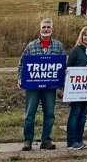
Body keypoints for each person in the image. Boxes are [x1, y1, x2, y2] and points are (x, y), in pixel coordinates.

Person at [19, 17, 66, 151]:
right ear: (40, 29)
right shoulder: (31, 45)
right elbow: (21, 64)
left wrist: (62, 80)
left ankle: (46, 140)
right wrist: (20, 79)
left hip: (50, 87)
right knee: (29, 114)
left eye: (48, 27)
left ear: (52, 29)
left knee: (50, 113)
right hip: (32, 86)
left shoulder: (58, 45)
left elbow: (63, 65)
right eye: (43, 27)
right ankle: (28, 140)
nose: (46, 29)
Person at [66, 25, 87, 150]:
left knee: (84, 114)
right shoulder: (76, 50)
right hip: (77, 87)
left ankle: (80, 140)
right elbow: (68, 67)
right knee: (75, 112)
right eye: (85, 35)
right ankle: (71, 141)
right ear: (82, 36)